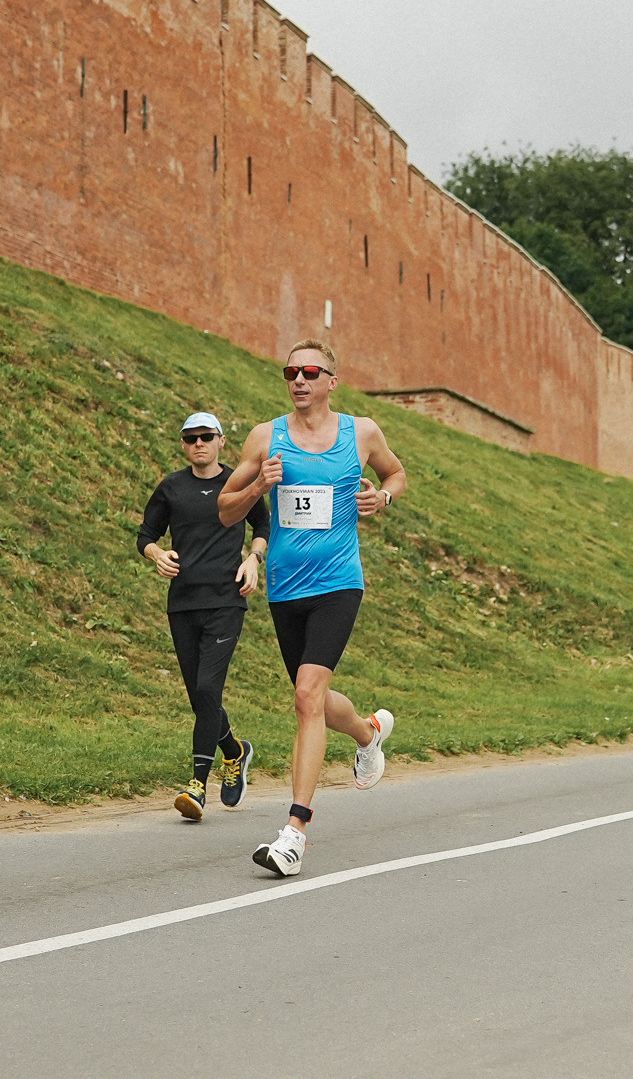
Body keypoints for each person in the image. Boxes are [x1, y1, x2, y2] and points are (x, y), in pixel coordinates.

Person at [219, 338, 408, 880]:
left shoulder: (361, 432)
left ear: (331, 380)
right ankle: (369, 733)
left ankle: (293, 833)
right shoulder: (266, 437)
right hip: (286, 587)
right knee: (315, 700)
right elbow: (226, 512)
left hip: (338, 582)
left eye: (309, 372)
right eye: (290, 372)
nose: (298, 380)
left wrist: (384, 498)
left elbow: (396, 473)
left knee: (306, 694)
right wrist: (260, 482)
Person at [137, 411, 269, 822]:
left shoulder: (239, 483)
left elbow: (264, 525)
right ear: (183, 444)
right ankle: (235, 750)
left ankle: (197, 785)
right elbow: (146, 535)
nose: (199, 444)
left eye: (206, 436)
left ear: (220, 441)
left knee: (209, 685)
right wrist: (158, 555)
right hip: (183, 603)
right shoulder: (172, 488)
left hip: (227, 600)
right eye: (191, 438)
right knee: (200, 694)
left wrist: (253, 558)